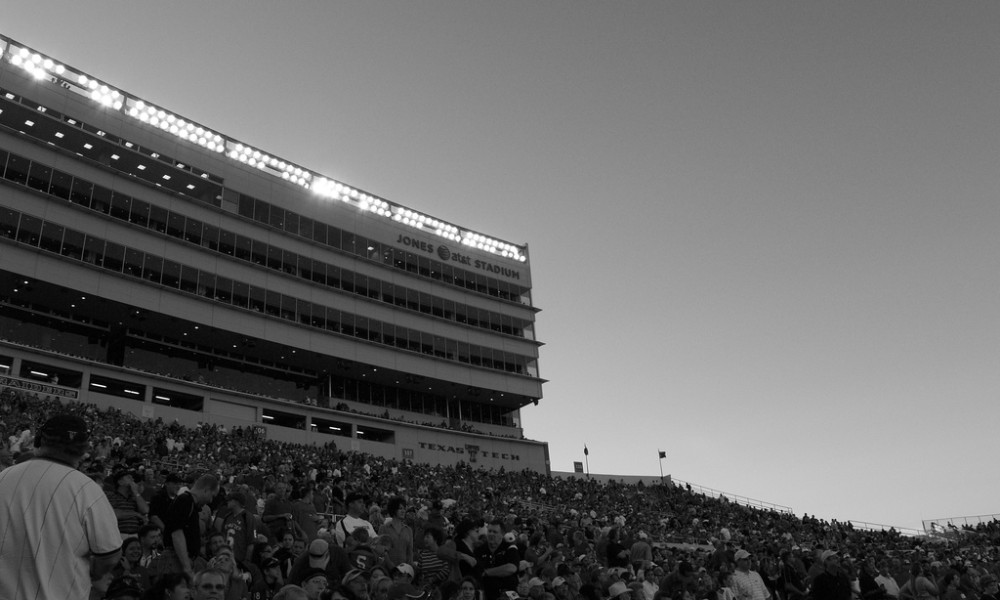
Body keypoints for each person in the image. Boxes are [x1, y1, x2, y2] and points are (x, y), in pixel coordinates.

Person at [0, 413, 123, 600]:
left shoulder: (4, 477)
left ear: (40, 440)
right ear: (84, 449)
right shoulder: (89, 490)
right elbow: (110, 556)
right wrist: (94, 572)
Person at [161, 474, 222, 580]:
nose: (211, 501)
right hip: (176, 562)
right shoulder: (185, 501)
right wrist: (187, 567)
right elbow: (177, 534)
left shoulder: (191, 504)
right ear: (206, 490)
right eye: (212, 496)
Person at [474, 520, 520, 600]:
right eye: (489, 531)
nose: (491, 534)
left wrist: (486, 572)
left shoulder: (510, 548)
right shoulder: (479, 550)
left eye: (495, 532)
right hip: (487, 594)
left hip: (508, 594)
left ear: (502, 534)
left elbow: (511, 568)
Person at [380, 496, 414, 566]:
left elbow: (410, 551)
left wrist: (409, 566)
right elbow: (382, 550)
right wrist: (390, 565)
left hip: (404, 570)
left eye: (404, 508)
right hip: (387, 568)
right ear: (394, 509)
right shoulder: (384, 528)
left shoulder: (408, 530)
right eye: (400, 508)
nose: (403, 511)